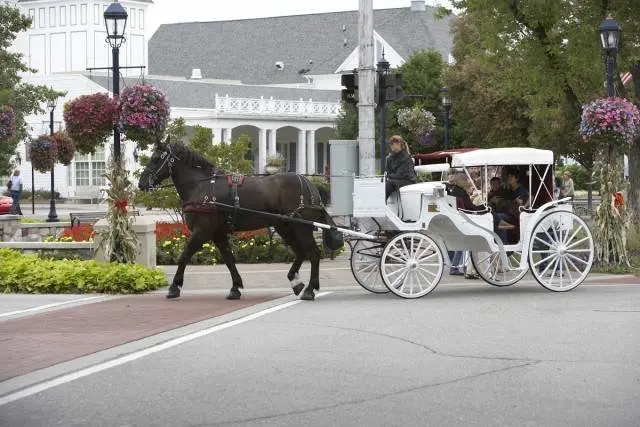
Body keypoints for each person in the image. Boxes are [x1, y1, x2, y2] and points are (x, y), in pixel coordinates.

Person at [385, 135, 417, 199]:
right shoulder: (390, 158)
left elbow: (401, 174)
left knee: (390, 183)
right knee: (381, 184)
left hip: (408, 180)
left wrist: (389, 176)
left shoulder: (406, 157)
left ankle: (381, 202)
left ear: (398, 143)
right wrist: (388, 176)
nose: (391, 145)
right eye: (390, 144)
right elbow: (387, 172)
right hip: (396, 179)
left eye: (392, 144)